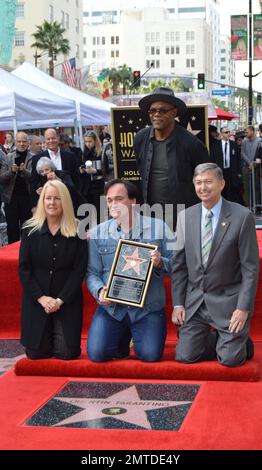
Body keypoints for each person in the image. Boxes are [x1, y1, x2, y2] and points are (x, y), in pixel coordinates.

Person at [172, 163, 259, 367]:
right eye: (199, 182)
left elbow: (250, 268)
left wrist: (243, 308)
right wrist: (178, 304)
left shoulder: (242, 216)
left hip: (228, 302)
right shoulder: (185, 217)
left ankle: (240, 343)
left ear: (221, 183)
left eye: (208, 182)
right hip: (196, 303)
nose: (203, 187)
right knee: (184, 356)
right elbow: (179, 266)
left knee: (230, 360)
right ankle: (222, 340)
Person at [86, 179, 175, 363]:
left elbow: (178, 266)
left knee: (150, 355)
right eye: (109, 200)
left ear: (133, 201)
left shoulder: (159, 228)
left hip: (147, 309)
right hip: (112, 309)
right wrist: (100, 291)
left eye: (119, 199)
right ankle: (122, 338)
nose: (113, 204)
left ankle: (136, 335)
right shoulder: (97, 233)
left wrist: (160, 262)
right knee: (97, 354)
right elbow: (92, 272)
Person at [19, 180, 88, 360]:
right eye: (48, 198)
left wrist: (59, 300)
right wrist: (41, 298)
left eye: (57, 198)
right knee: (36, 353)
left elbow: (78, 270)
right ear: (42, 201)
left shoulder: (78, 228)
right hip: (37, 299)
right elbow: (24, 269)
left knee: (67, 353)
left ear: (64, 201)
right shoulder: (29, 229)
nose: (52, 203)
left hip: (66, 300)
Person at [134, 87, 209, 230]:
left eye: (162, 110)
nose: (156, 114)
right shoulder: (140, 139)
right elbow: (140, 171)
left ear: (174, 112)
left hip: (183, 216)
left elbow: (206, 180)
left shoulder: (191, 144)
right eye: (152, 110)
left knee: (180, 252)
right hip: (150, 215)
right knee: (152, 252)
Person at [30, 128, 79, 210]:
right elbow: (33, 183)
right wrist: (35, 204)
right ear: (45, 141)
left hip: (69, 201)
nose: (51, 141)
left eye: (53, 138)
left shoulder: (70, 156)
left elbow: (76, 180)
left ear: (58, 138)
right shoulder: (37, 158)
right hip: (48, 203)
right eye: (48, 139)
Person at [0, 132, 32, 244]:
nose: (22, 144)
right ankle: (11, 254)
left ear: (28, 143)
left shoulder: (33, 157)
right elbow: (1, 178)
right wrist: (11, 172)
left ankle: (27, 253)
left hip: (27, 198)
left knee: (27, 228)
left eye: (24, 141)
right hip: (11, 199)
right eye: (19, 141)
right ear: (15, 142)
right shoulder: (8, 157)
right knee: (12, 228)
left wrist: (24, 171)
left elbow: (34, 178)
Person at [211, 127, 244, 204]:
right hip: (220, 171)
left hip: (231, 171)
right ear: (221, 134)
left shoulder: (233, 145)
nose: (228, 133)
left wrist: (239, 172)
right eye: (226, 132)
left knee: (232, 190)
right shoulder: (215, 145)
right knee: (222, 189)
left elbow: (238, 159)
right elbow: (212, 159)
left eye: (228, 132)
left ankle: (231, 205)